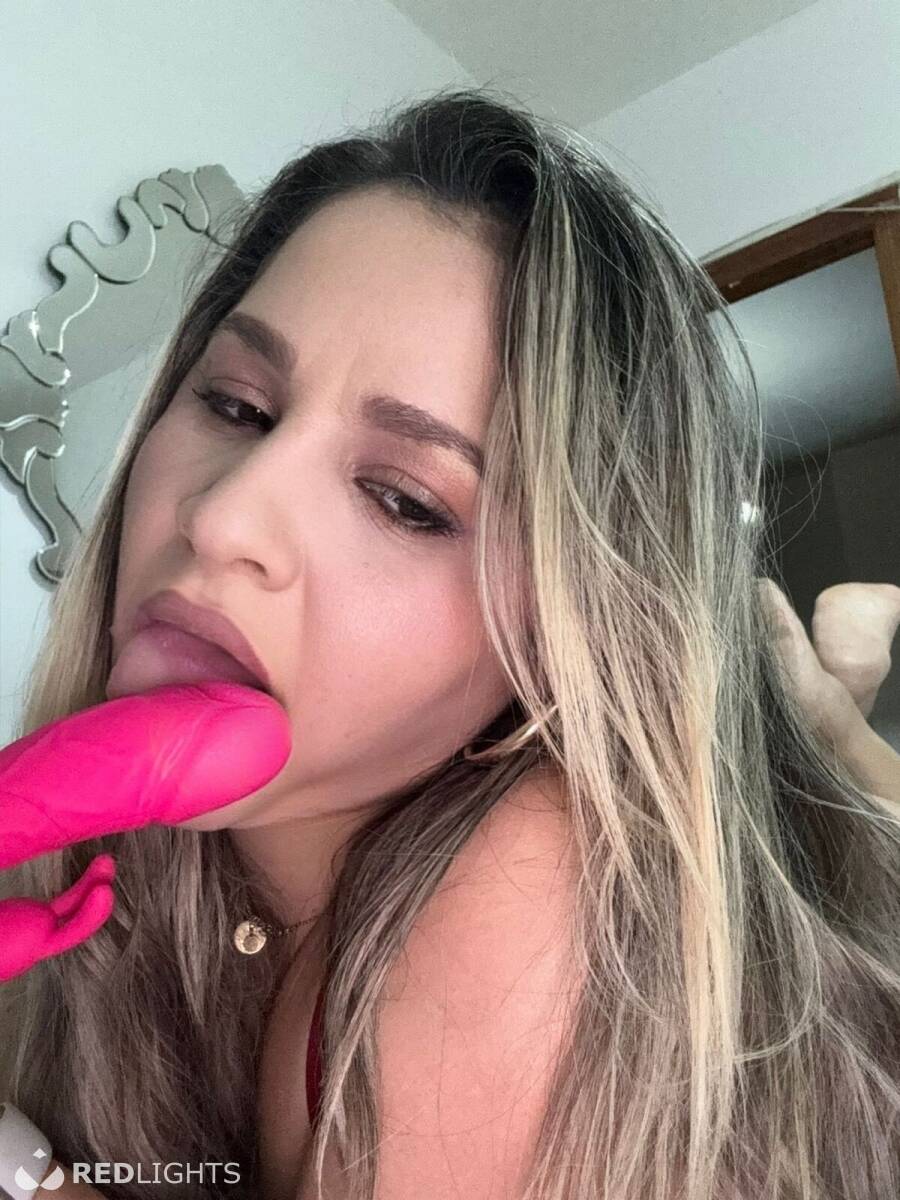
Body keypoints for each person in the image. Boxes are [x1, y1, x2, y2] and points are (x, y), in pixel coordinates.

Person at [1, 86, 898, 1200]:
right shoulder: (148, 881)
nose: (223, 518)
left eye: (406, 501)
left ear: (561, 637)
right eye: (235, 406)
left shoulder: (519, 900)